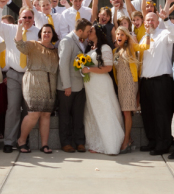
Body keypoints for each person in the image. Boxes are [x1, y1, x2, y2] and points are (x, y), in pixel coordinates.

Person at [0, 0, 40, 153]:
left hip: (31, 76)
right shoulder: (10, 29)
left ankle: (23, 141)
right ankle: (9, 141)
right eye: (24, 17)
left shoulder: (39, 32)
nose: (26, 20)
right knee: (12, 108)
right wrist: (0, 6)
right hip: (13, 74)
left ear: (33, 19)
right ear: (19, 18)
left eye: (29, 17)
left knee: (28, 110)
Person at [139, 10, 174, 156]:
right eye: (147, 20)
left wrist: (167, 19)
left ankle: (164, 143)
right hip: (146, 82)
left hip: (161, 81)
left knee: (161, 114)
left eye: (152, 20)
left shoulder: (164, 34)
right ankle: (153, 141)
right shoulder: (143, 38)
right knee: (148, 114)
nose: (149, 22)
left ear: (157, 22)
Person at [14, 23, 59, 154]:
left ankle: (44, 145)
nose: (46, 34)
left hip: (50, 84)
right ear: (40, 34)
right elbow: (19, 44)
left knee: (46, 114)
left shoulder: (56, 50)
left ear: (52, 34)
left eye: (49, 32)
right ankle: (21, 141)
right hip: (33, 81)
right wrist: (19, 27)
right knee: (33, 113)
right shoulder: (33, 44)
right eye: (44, 32)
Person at [81, 24, 124, 155]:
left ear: (98, 32)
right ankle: (97, 143)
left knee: (104, 111)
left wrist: (88, 69)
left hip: (101, 84)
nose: (89, 32)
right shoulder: (90, 47)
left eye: (91, 30)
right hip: (91, 86)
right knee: (93, 113)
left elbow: (108, 67)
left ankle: (111, 145)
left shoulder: (105, 47)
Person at [58, 18, 93, 153]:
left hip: (80, 86)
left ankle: (80, 142)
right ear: (80, 31)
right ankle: (66, 143)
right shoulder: (67, 41)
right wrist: (66, 85)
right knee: (65, 116)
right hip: (68, 87)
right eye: (87, 31)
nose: (89, 33)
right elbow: (63, 64)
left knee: (79, 115)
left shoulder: (83, 41)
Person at [112, 26, 148, 153]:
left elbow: (145, 47)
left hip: (130, 84)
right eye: (118, 34)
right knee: (124, 112)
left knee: (127, 112)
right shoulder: (115, 52)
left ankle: (126, 140)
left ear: (126, 37)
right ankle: (130, 138)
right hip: (121, 85)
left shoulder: (131, 48)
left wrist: (147, 34)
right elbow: (115, 69)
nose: (119, 37)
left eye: (122, 34)